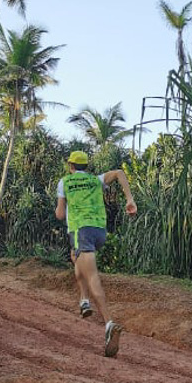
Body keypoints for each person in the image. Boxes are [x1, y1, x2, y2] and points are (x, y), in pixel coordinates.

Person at [55, 149, 137, 358]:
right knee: (76, 257)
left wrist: (63, 208)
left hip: (80, 230)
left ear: (71, 166)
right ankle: (84, 301)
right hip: (99, 232)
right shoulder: (96, 180)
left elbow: (60, 214)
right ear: (86, 166)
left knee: (91, 275)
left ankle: (109, 323)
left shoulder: (65, 182)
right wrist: (129, 200)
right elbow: (119, 173)